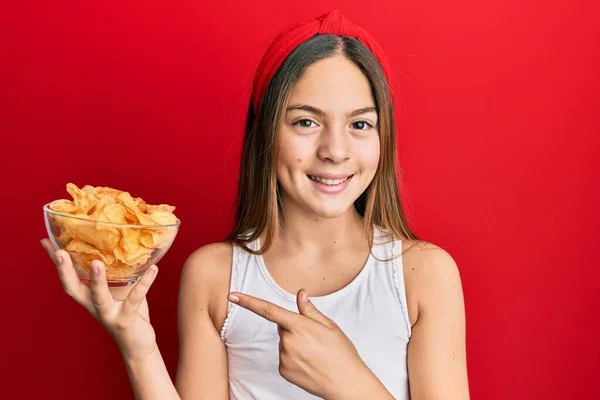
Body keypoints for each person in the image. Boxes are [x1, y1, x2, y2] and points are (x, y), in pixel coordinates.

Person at [41, 10, 470, 400]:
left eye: (360, 124)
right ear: (266, 133)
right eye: (306, 122)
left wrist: (349, 383)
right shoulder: (213, 276)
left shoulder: (423, 275)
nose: (336, 150)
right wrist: (136, 343)